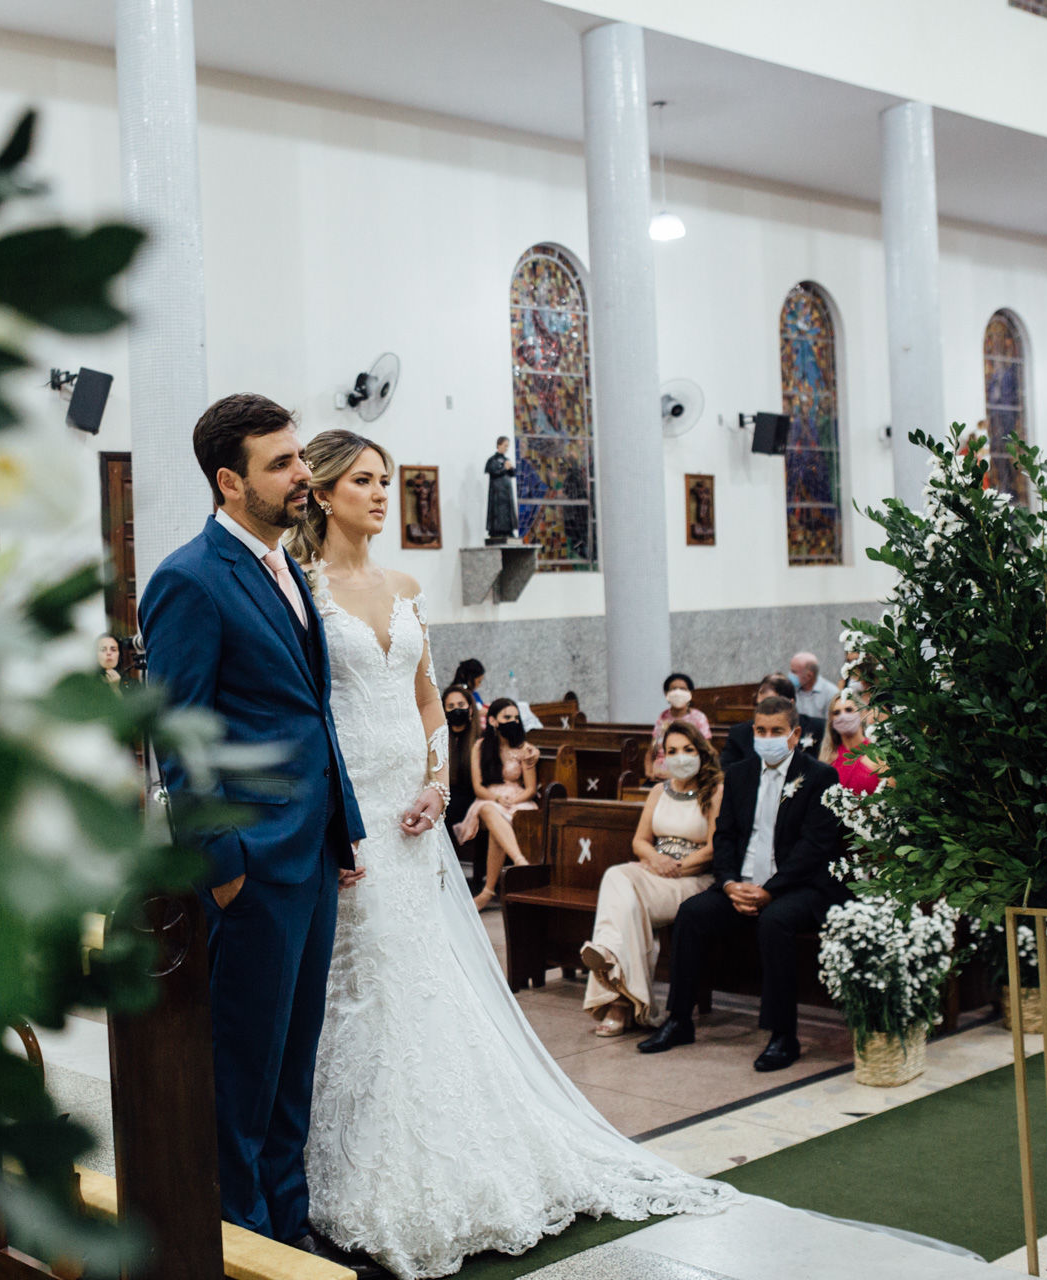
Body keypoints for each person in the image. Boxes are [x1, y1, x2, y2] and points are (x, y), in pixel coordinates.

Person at [288, 428, 731, 1280]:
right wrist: (340, 811)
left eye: (386, 480)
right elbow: (311, 712)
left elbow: (426, 705)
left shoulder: (405, 584)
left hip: (411, 812)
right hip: (350, 814)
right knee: (363, 985)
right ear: (323, 493)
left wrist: (434, 786)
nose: (383, 495)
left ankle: (455, 1153)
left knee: (430, 982)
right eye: (364, 482)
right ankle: (351, 1168)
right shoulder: (303, 592)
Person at [139, 394, 368, 1253]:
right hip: (251, 863)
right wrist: (223, 864)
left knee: (292, 1066)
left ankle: (288, 1227)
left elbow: (309, 714)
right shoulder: (190, 579)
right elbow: (180, 733)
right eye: (282, 464)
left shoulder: (283, 568)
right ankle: (242, 1243)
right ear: (230, 482)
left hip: (307, 851)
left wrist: (341, 829)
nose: (303, 475)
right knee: (243, 1071)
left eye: (300, 457)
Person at [637, 695, 846, 1073]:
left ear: (794, 734)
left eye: (777, 731)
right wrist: (731, 882)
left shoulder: (819, 778)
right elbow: (726, 837)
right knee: (692, 913)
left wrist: (770, 890)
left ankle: (783, 1035)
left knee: (775, 921)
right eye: (761, 731)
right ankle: (679, 1020)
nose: (768, 737)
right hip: (743, 883)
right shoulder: (739, 774)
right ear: (753, 733)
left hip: (800, 888)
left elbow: (814, 847)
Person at [584, 720, 724, 1034]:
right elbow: (639, 841)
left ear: (700, 751)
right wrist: (656, 859)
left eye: (687, 749)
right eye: (672, 751)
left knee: (628, 901)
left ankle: (616, 988)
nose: (680, 756)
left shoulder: (714, 790)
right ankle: (624, 996)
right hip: (655, 871)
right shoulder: (659, 791)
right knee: (618, 878)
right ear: (663, 756)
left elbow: (715, 847)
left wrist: (678, 865)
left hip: (693, 880)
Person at [455, 698, 538, 912]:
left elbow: (530, 788)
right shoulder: (481, 747)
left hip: (519, 801)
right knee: (489, 810)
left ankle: (487, 892)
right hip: (489, 799)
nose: (512, 721)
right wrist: (498, 799)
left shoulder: (524, 749)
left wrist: (513, 800)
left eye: (515, 718)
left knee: (496, 828)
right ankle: (521, 863)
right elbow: (478, 786)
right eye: (506, 717)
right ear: (493, 720)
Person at [720, 673, 824, 768]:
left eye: (771, 705)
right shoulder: (740, 733)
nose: (763, 712)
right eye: (759, 706)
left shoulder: (817, 728)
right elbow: (727, 771)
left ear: (791, 704)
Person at [644, 672, 712, 782]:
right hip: (657, 778)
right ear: (666, 693)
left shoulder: (698, 717)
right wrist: (649, 772)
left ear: (690, 693)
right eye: (674, 689)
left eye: (683, 689)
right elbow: (651, 751)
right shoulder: (663, 717)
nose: (678, 692)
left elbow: (706, 751)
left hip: (686, 776)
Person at [439, 683, 478, 850]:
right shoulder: (440, 740)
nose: (456, 710)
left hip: (473, 797)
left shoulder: (479, 739)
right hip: (447, 798)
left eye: (461, 705)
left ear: (470, 709)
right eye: (451, 706)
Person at [819, 691, 882, 795]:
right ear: (831, 720)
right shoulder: (827, 758)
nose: (843, 716)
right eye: (836, 713)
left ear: (862, 714)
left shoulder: (879, 755)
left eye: (849, 710)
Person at [484, 436, 518, 543]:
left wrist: (511, 468)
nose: (506, 448)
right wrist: (504, 468)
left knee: (508, 512)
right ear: (499, 445)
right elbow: (494, 472)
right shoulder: (492, 460)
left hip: (507, 494)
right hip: (497, 494)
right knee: (498, 513)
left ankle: (508, 530)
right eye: (505, 446)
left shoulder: (506, 460)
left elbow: (513, 474)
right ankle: (497, 531)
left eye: (508, 446)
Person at [790, 652, 839, 723]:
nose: (791, 675)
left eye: (794, 672)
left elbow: (831, 725)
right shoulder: (791, 690)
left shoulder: (831, 693)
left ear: (809, 675)